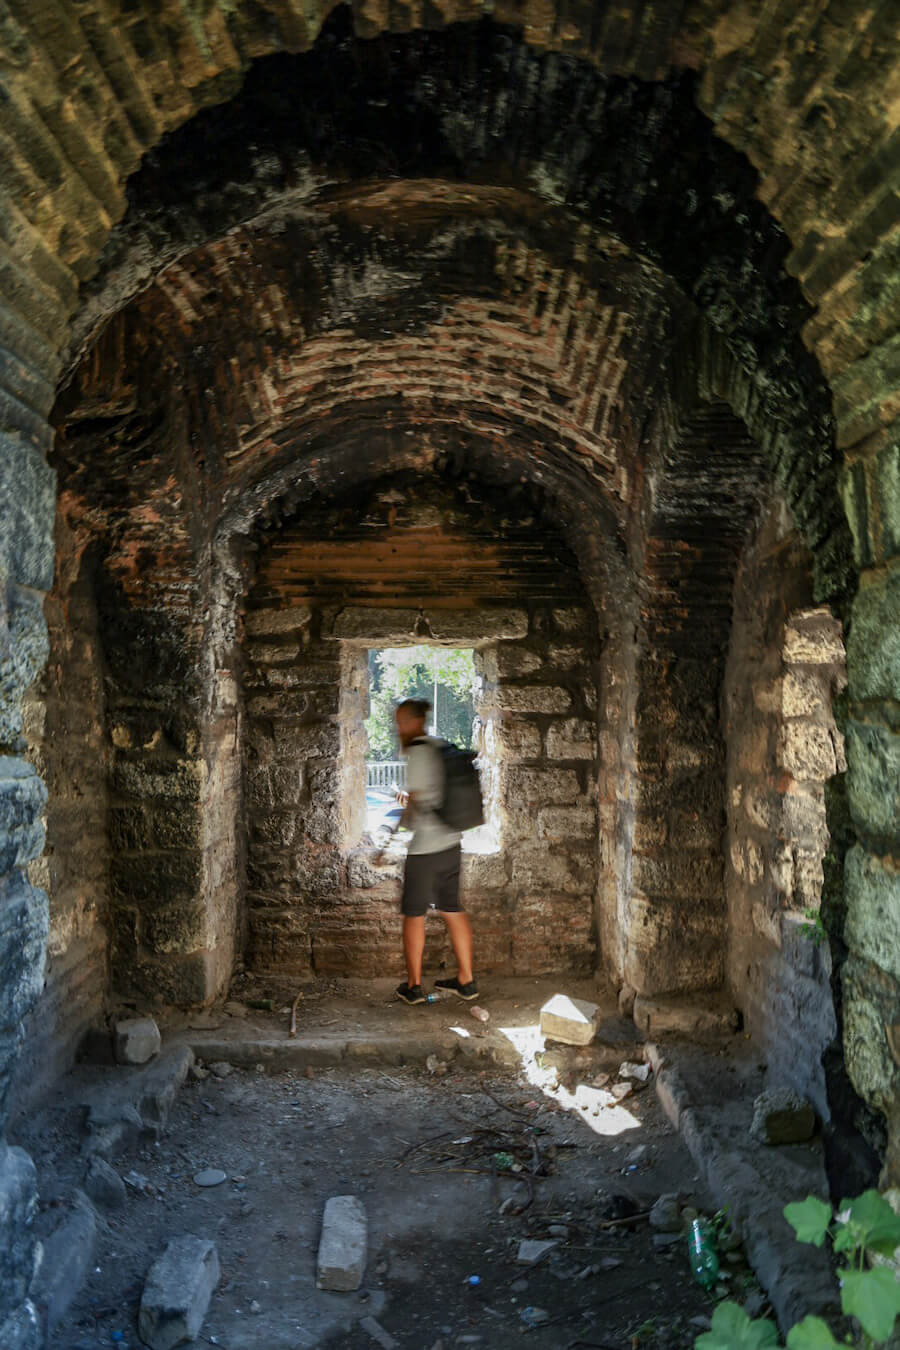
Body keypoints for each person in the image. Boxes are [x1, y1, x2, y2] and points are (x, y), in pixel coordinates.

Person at [391, 698, 478, 1005]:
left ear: (415, 722)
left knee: (413, 914)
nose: (398, 728)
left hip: (425, 849)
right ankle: (466, 981)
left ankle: (414, 986)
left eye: (401, 722)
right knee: (452, 909)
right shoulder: (439, 746)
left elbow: (414, 805)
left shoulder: (416, 752)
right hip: (450, 843)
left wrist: (391, 835)